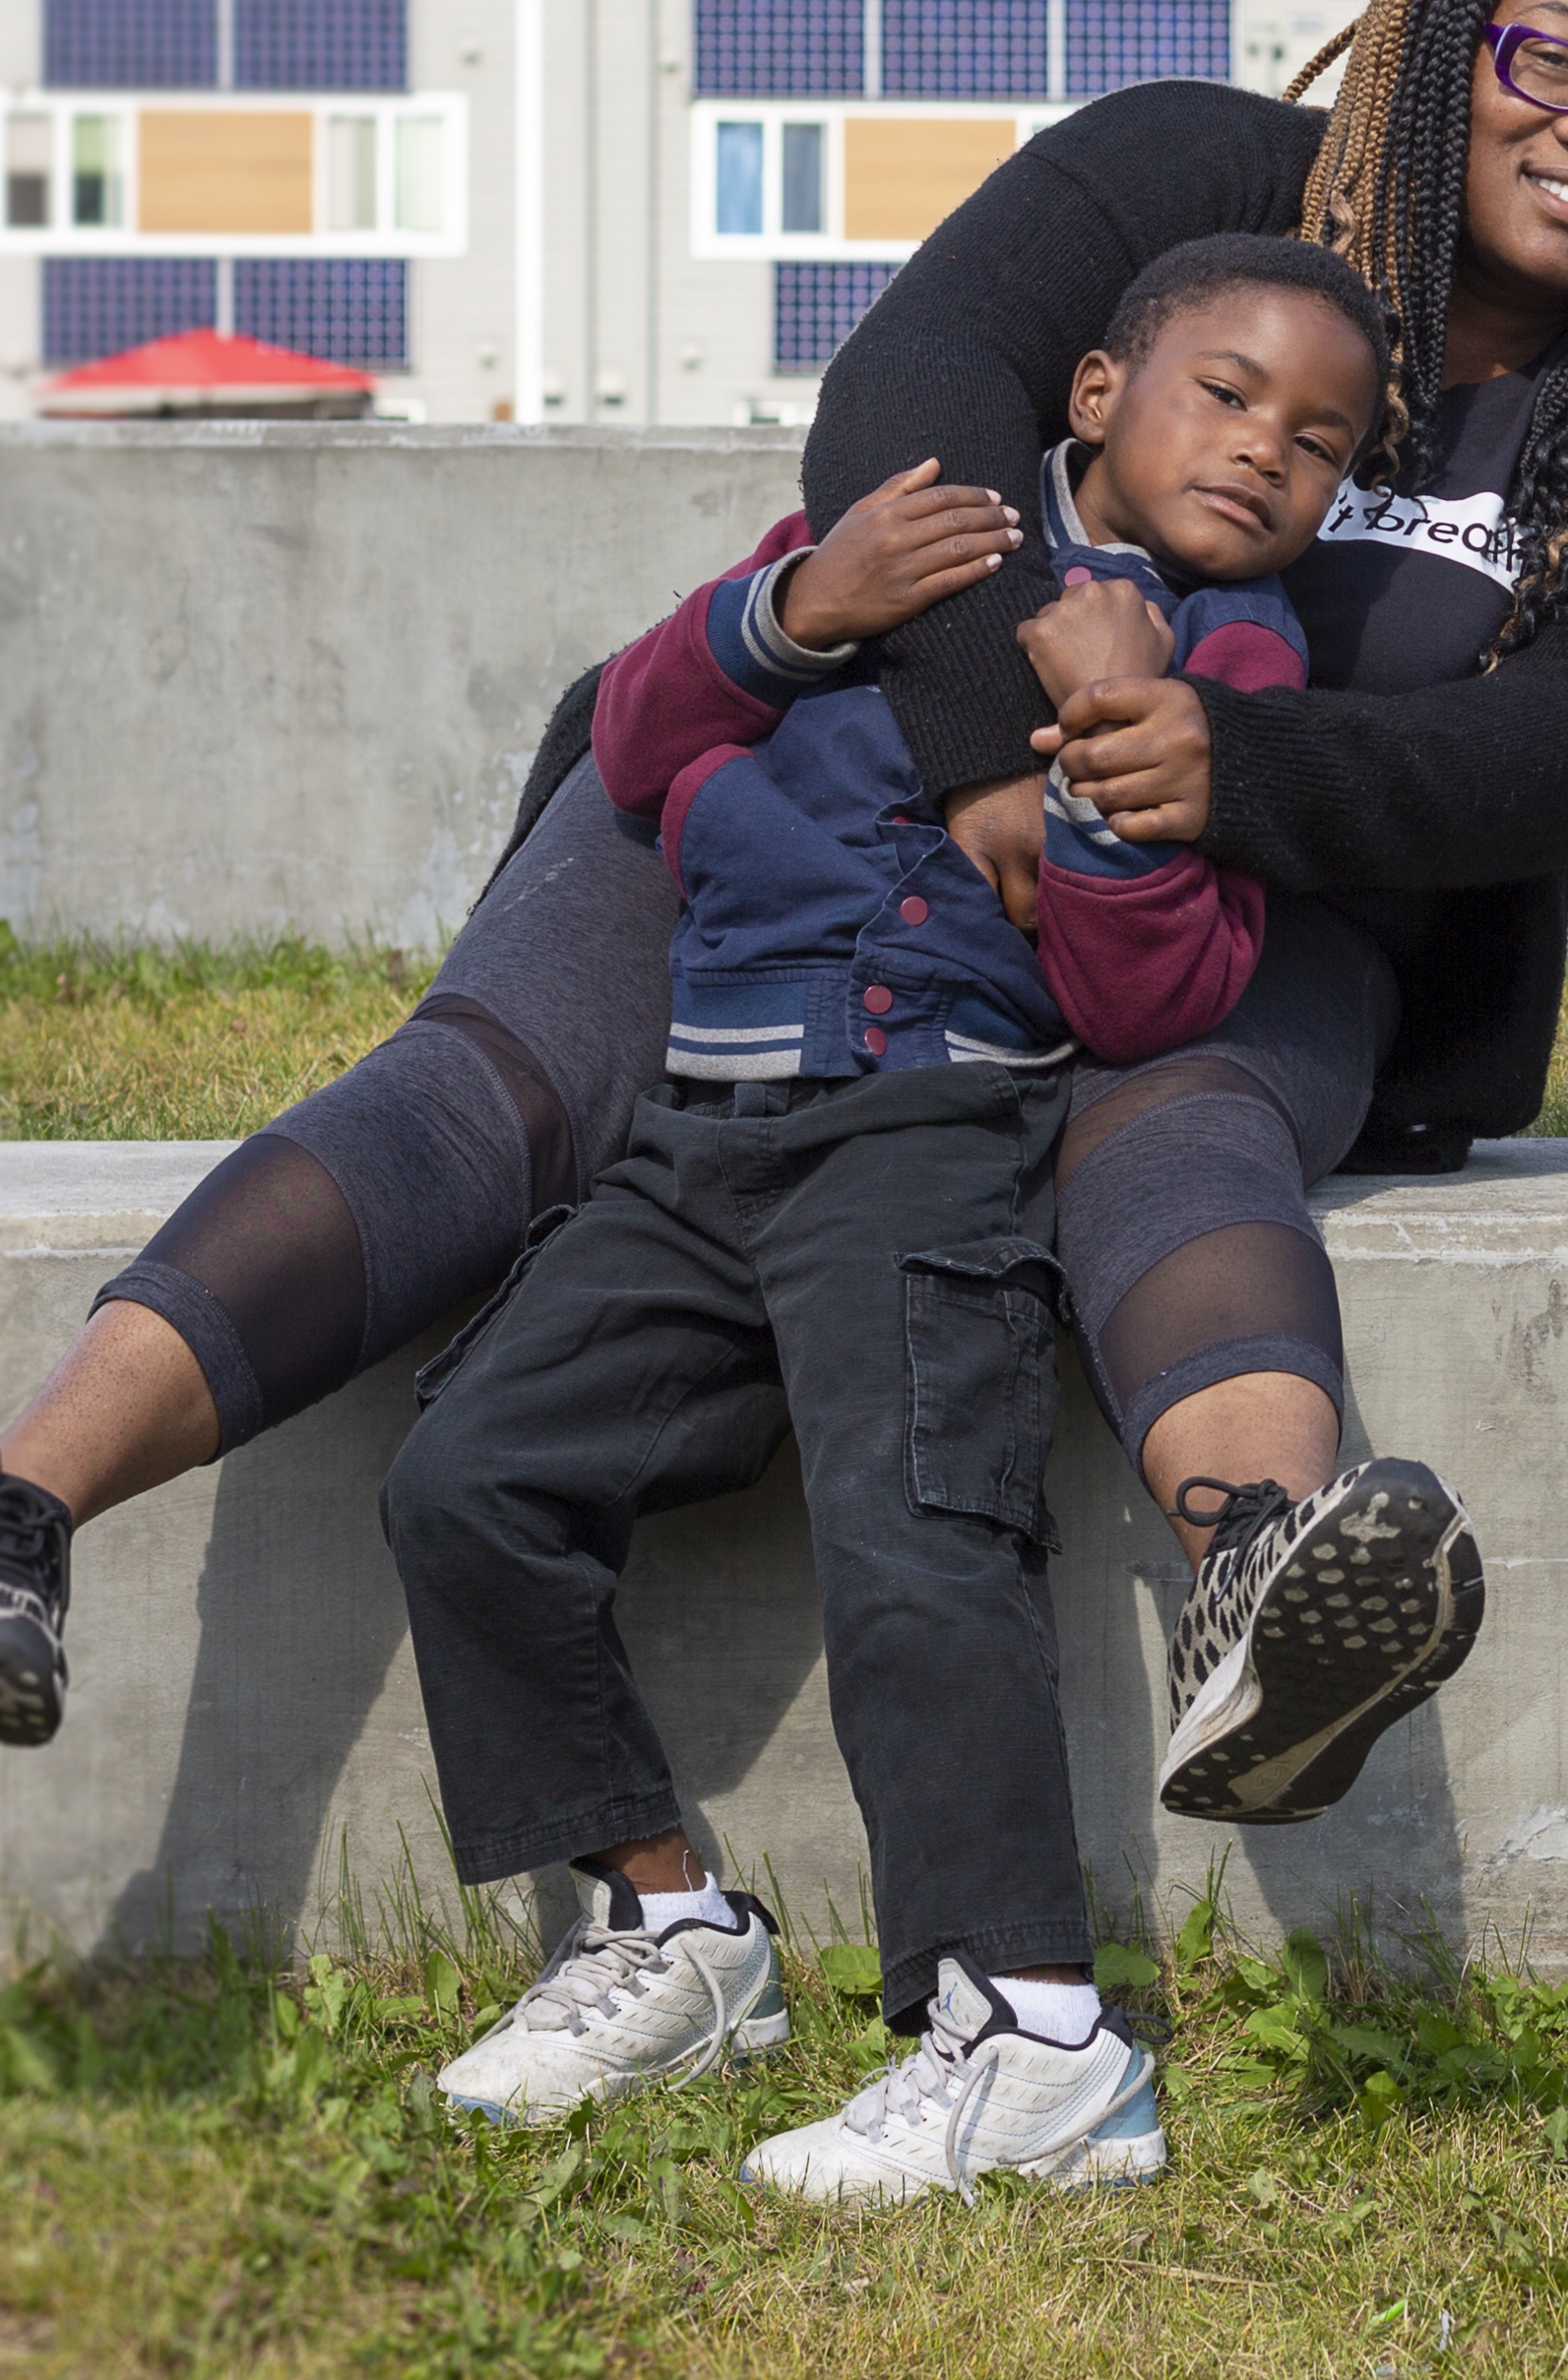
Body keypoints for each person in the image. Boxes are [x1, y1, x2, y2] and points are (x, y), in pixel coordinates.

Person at [0, 0, 1568, 1847]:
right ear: (1454, 30)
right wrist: (980, 754)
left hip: (1233, 894)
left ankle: (1261, 1586)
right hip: (841, 774)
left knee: (1180, 1132)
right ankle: (6, 1517)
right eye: (1550, 55)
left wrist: (1214, 779)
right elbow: (910, 396)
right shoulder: (1198, 179)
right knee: (496, 1080)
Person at [383, 237, 1388, 2202]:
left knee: (919, 1557)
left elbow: (1146, 995)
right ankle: (672, 1929)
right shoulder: (902, 521)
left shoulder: (1229, 658)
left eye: (1325, 440)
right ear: (1096, 393)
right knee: (464, 1476)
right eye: (1229, 392)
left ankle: (1038, 2038)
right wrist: (790, 612)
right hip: (701, 1128)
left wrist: (1109, 761)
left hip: (926, 1135)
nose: (1270, 453)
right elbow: (644, 734)